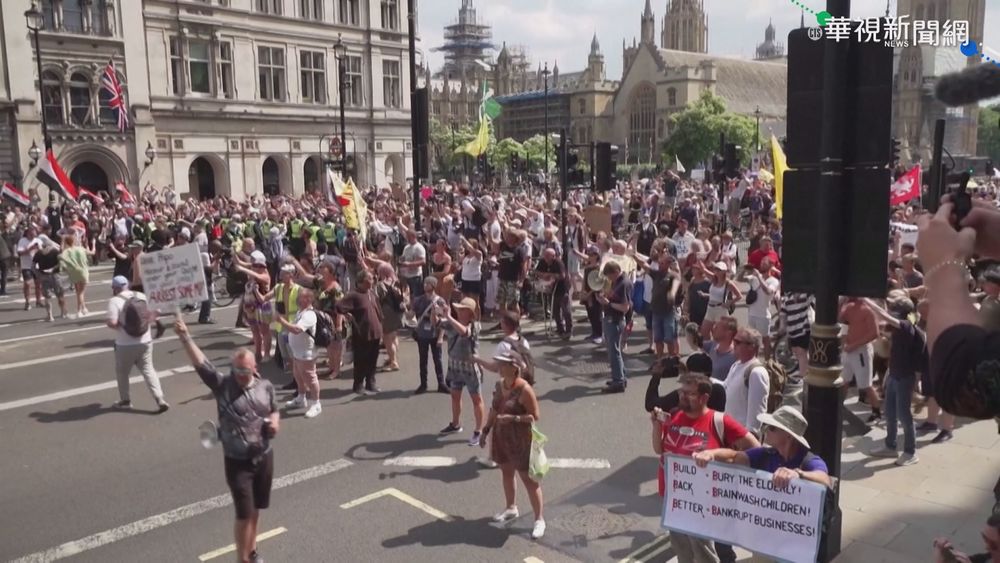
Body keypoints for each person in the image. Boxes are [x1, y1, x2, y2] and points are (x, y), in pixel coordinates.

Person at [174, 318, 278, 563]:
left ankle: (252, 551)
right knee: (243, 513)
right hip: (237, 461)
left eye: (245, 370)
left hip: (264, 456)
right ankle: (241, 559)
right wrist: (185, 337)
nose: (240, 375)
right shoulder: (223, 385)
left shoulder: (266, 386)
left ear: (254, 368)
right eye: (236, 370)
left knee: (256, 510)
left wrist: (275, 421)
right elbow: (202, 364)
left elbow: (274, 409)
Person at [651, 373, 759, 563]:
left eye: (689, 393)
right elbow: (659, 449)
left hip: (701, 502)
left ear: (704, 397)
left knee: (703, 553)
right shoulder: (674, 415)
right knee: (682, 551)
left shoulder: (719, 421)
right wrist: (656, 426)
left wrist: (717, 456)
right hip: (673, 498)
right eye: (681, 392)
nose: (682, 396)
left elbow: (755, 450)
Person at [480, 347, 545, 540]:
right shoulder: (500, 385)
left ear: (513, 367)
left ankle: (539, 519)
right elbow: (494, 409)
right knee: (507, 473)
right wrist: (485, 430)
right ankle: (511, 508)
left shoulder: (525, 389)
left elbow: (535, 416)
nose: (498, 366)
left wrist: (514, 418)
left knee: (529, 481)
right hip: (502, 438)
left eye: (502, 363)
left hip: (521, 441)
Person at [693, 406, 832, 488]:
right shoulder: (766, 454)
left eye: (771, 428)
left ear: (789, 436)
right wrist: (711, 454)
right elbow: (734, 457)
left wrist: (798, 474)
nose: (765, 430)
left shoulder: (808, 460)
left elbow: (825, 480)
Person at [867, 294, 927, 466]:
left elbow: (884, 315)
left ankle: (910, 452)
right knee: (890, 413)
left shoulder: (907, 326)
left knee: (904, 415)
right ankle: (890, 446)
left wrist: (868, 301)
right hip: (894, 375)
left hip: (904, 378)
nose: (891, 312)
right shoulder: (901, 325)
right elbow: (884, 319)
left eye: (895, 309)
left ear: (902, 312)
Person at [106, 275, 169, 412]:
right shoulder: (141, 295)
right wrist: (147, 322)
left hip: (125, 344)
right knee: (148, 370)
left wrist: (122, 326)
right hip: (145, 340)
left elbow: (112, 322)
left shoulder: (115, 301)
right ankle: (160, 399)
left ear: (114, 288)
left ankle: (125, 400)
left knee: (122, 373)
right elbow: (157, 312)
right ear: (127, 285)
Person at [440, 298, 486, 444]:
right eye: (458, 308)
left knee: (476, 399)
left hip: (470, 367)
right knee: (455, 396)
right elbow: (436, 323)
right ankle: (455, 424)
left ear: (469, 313)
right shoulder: (451, 323)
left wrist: (448, 316)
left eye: (461, 309)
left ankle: (479, 431)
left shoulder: (475, 326)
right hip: (455, 365)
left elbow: (465, 332)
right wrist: (435, 312)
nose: (458, 311)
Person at [275, 288, 322, 418]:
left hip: (306, 353)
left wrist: (281, 321)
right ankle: (301, 398)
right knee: (298, 376)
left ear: (308, 299)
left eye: (300, 297)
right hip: (297, 352)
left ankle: (316, 404)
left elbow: (297, 330)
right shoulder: (300, 312)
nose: (297, 299)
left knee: (310, 378)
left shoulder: (309, 315)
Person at [336, 270, 383, 395]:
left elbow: (378, 311)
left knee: (373, 360)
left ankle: (371, 383)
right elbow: (338, 306)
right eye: (370, 278)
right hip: (362, 333)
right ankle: (358, 385)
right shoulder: (354, 295)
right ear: (361, 280)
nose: (372, 279)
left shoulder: (372, 293)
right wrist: (347, 314)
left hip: (375, 332)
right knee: (361, 360)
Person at [839, 297, 883, 423]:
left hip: (861, 352)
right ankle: (838, 407)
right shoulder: (846, 307)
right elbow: (844, 326)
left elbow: (875, 333)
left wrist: (854, 345)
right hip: (847, 350)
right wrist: (842, 344)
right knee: (844, 381)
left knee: (865, 384)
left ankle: (876, 411)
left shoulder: (868, 310)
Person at [723, 328, 770, 436]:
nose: (733, 344)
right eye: (734, 340)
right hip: (728, 433)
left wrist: (748, 441)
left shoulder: (756, 373)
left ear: (751, 346)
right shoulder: (736, 365)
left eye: (738, 342)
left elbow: (757, 415)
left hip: (741, 439)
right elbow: (726, 386)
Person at [597, 260, 632, 394]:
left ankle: (618, 381)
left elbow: (625, 307)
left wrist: (608, 304)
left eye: (610, 276)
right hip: (612, 318)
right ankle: (621, 378)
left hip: (615, 320)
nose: (609, 279)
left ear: (616, 272)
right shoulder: (617, 282)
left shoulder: (623, 284)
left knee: (614, 352)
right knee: (614, 351)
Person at [412, 276, 446, 394]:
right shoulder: (418, 300)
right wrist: (404, 307)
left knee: (438, 360)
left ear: (433, 286)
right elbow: (410, 315)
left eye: (428, 283)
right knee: (423, 360)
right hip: (422, 334)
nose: (425, 285)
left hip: (435, 334)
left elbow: (443, 321)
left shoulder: (440, 301)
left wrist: (441, 337)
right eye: (425, 283)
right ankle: (423, 384)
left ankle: (441, 384)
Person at [932, 514, 1000, 563]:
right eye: (985, 539)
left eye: (993, 544)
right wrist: (942, 554)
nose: (986, 547)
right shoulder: (985, 558)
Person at [59, 234, 93, 318]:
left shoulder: (67, 251)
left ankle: (79, 309)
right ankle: (83, 308)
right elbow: (92, 252)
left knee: (78, 292)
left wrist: (62, 241)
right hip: (83, 271)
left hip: (73, 272)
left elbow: (61, 251)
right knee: (81, 292)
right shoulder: (80, 249)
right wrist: (93, 244)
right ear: (74, 241)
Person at [34, 235, 66, 321]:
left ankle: (50, 315)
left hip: (44, 275)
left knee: (47, 296)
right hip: (55, 275)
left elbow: (33, 266)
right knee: (60, 294)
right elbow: (61, 262)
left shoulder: (39, 253)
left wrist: (38, 274)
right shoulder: (55, 251)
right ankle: (63, 312)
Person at [16, 225, 42, 310]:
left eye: (34, 232)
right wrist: (30, 249)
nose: (33, 234)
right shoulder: (22, 241)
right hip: (26, 265)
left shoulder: (38, 240)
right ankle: (27, 302)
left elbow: (42, 252)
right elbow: (19, 253)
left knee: (38, 284)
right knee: (27, 284)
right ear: (28, 233)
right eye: (31, 233)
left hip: (37, 265)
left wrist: (39, 250)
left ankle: (38, 301)